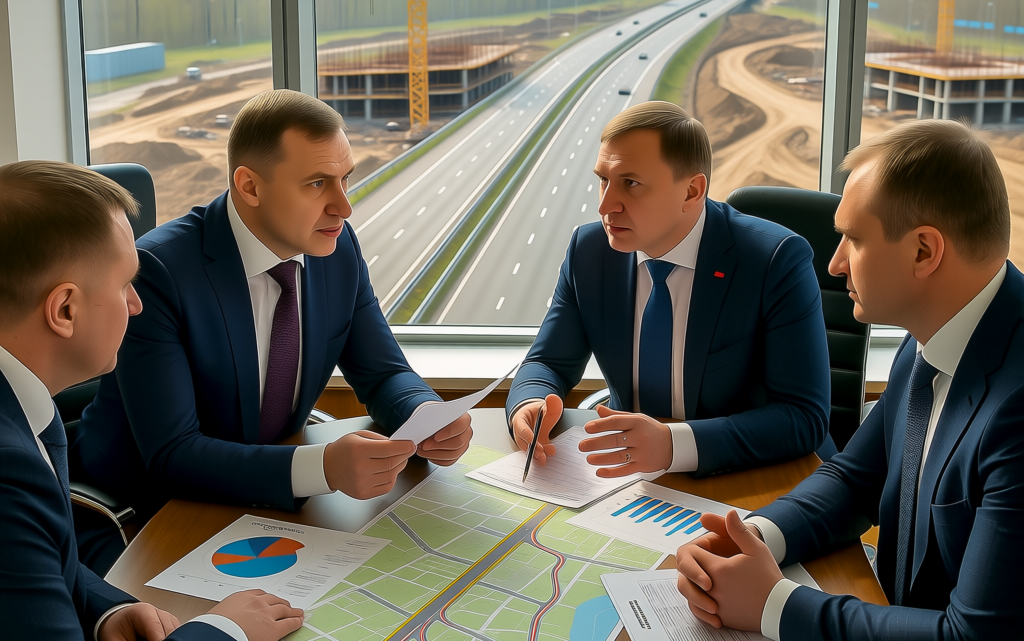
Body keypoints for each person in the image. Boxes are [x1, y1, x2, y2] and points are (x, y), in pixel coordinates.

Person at [71, 89, 472, 573]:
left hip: (272, 499)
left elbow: (383, 372)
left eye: (345, 179)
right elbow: (174, 454)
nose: (344, 208)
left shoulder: (336, 247)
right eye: (317, 183)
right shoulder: (159, 271)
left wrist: (424, 414)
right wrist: (322, 467)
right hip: (145, 511)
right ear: (250, 186)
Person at [675, 119, 1023, 640]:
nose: (835, 264)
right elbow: (855, 479)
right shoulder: (937, 328)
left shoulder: (1016, 410)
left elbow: (972, 636)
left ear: (924, 251)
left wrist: (774, 606)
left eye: (853, 239)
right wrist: (754, 537)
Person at [0, 159, 304, 640]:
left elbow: (38, 563)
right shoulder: (8, 470)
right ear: (65, 309)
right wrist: (225, 630)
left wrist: (106, 610)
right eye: (125, 284)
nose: (136, 304)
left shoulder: (23, 399)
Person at [505, 101, 832, 479]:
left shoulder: (775, 260)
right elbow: (548, 363)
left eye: (630, 183)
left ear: (692, 191)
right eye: (603, 180)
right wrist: (530, 403)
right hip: (629, 471)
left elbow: (802, 416)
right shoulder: (589, 252)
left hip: (746, 474)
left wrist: (673, 445)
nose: (605, 205)